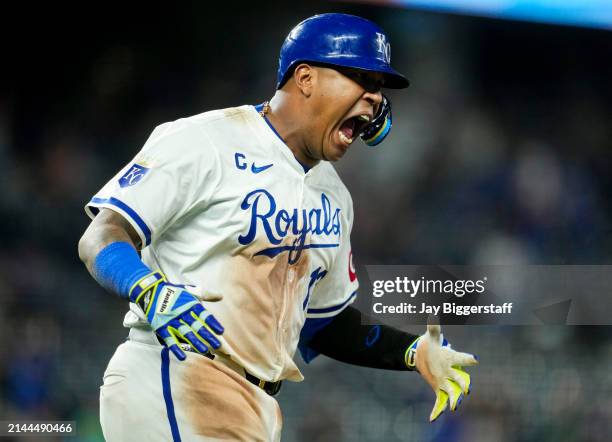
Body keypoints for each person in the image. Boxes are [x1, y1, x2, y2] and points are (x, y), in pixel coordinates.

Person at [78, 13, 477, 441]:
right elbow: (101, 235)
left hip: (257, 407)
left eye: (378, 88)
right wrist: (148, 288)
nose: (374, 100)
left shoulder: (335, 197)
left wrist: (411, 352)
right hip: (173, 377)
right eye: (361, 78)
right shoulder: (206, 140)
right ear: (305, 78)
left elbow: (324, 323)